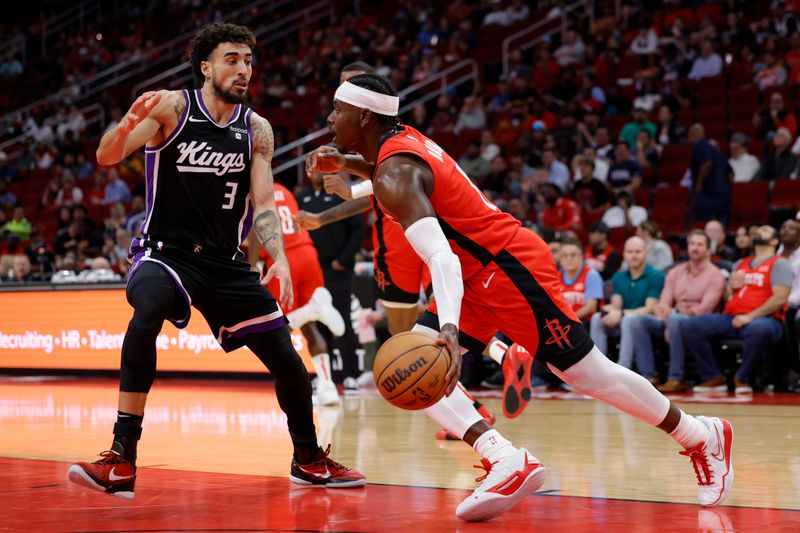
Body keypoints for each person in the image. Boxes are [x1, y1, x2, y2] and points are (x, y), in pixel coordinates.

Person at [312, 73, 735, 520]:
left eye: (337, 110)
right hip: (479, 275)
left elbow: (442, 260)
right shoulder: (399, 148)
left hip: (508, 268)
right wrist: (346, 162)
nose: (329, 117)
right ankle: (505, 458)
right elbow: (403, 180)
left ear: (364, 115)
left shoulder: (394, 175)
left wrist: (451, 331)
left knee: (587, 374)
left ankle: (699, 435)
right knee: (413, 369)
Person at [67, 23, 364, 500]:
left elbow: (264, 204)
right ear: (206, 66)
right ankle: (122, 457)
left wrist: (280, 258)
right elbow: (107, 156)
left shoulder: (257, 129)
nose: (243, 69)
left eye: (248, 60)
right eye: (232, 59)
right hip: (165, 252)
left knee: (290, 363)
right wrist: (127, 120)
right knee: (146, 316)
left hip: (225, 263)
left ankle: (308, 459)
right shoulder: (171, 107)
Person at [257, 182, 346, 406]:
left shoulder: (253, 192)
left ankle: (297, 391)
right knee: (310, 327)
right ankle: (327, 388)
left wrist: (252, 267)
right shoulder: (285, 190)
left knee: (278, 330)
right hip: (307, 252)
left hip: (282, 261)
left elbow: (252, 231)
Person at [681, 225, 792, 394]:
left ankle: (742, 378)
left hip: (766, 319)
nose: (759, 231)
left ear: (775, 241)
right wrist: (730, 289)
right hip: (732, 317)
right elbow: (727, 298)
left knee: (759, 329)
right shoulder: (740, 263)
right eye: (758, 229)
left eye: (765, 231)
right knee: (690, 326)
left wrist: (750, 317)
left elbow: (780, 298)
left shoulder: (780, 263)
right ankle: (713, 376)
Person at [627, 230, 726, 393]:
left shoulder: (716, 275)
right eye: (692, 244)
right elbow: (665, 300)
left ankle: (676, 377)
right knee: (640, 321)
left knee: (675, 320)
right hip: (670, 318)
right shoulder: (675, 271)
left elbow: (706, 308)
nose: (695, 248)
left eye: (700, 245)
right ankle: (648, 377)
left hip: (696, 321)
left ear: (708, 250)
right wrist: (664, 314)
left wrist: (673, 315)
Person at [297, 171, 365, 392]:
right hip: (313, 272)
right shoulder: (303, 196)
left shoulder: (341, 194)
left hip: (337, 270)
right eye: (312, 168)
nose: (316, 172)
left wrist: (343, 261)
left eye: (320, 168)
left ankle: (351, 374)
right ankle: (326, 376)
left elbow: (358, 230)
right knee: (318, 322)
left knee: (343, 320)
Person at [590, 237, 665, 383]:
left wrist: (622, 313)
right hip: (624, 320)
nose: (634, 255)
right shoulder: (619, 276)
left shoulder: (656, 275)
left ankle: (621, 372)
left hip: (648, 321)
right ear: (624, 254)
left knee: (629, 320)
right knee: (597, 318)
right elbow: (617, 305)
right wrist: (611, 310)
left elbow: (650, 308)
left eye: (638, 252)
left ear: (646, 254)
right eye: (630, 252)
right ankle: (598, 373)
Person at [558, 238, 604, 325]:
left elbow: (591, 307)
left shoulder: (591, 275)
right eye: (565, 255)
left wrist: (569, 320)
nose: (569, 258)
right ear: (560, 258)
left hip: (584, 324)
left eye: (573, 255)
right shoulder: (555, 276)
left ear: (581, 257)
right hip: (563, 325)